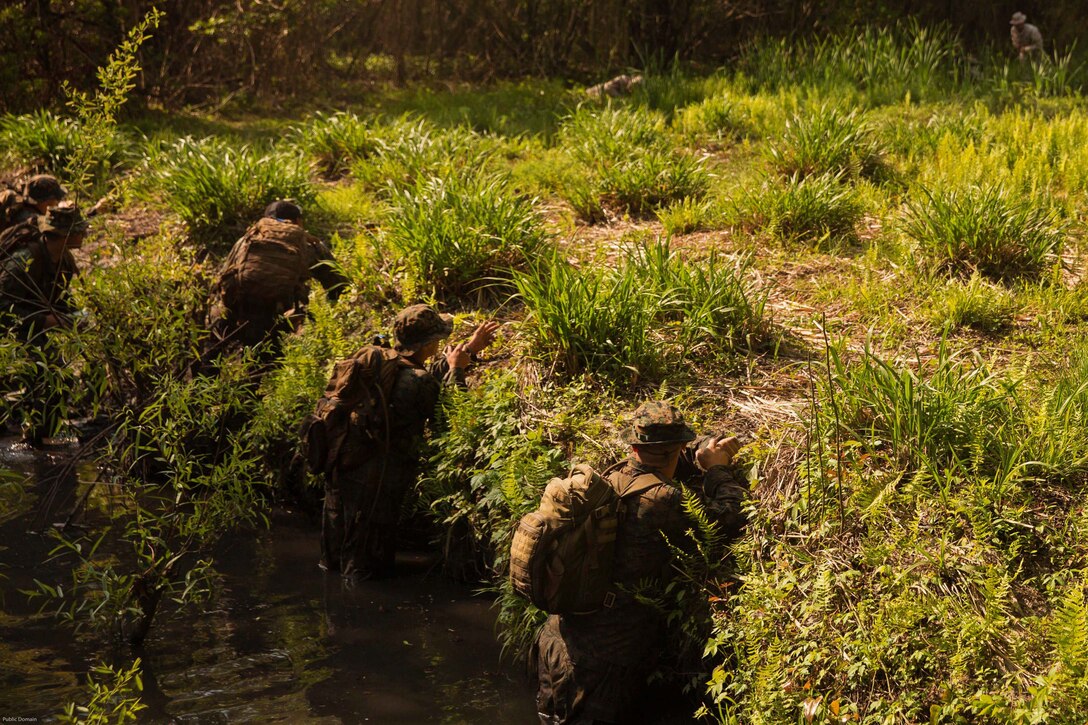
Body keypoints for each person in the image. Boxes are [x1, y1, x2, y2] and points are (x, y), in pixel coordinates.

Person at [535, 400, 749, 724]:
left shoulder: (609, 476)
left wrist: (693, 456)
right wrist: (717, 468)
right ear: (676, 449)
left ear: (634, 446)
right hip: (604, 663)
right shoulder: (663, 502)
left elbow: (659, 469)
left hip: (556, 639)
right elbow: (731, 516)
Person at [320, 304, 500, 582]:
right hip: (376, 489)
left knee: (331, 564)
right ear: (427, 344)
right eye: (437, 340)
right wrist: (456, 372)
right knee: (365, 576)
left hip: (342, 471)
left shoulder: (381, 361)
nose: (440, 344)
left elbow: (417, 376)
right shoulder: (419, 382)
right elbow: (452, 416)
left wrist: (468, 351)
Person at [208, 200, 349, 362]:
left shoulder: (245, 240)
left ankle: (203, 378)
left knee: (211, 360)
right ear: (297, 221)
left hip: (234, 310)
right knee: (263, 368)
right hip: (274, 316)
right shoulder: (307, 243)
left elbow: (222, 279)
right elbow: (339, 285)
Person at [0, 204, 88, 445]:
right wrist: (45, 320)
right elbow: (2, 305)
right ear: (65, 234)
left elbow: (58, 298)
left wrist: (76, 317)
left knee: (56, 376)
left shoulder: (63, 261)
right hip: (10, 330)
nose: (85, 235)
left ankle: (40, 438)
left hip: (28, 329)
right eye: (80, 230)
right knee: (47, 374)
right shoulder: (25, 259)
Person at [0, 174, 67, 233]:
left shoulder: (20, 207)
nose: (57, 203)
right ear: (45, 202)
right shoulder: (31, 221)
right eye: (56, 199)